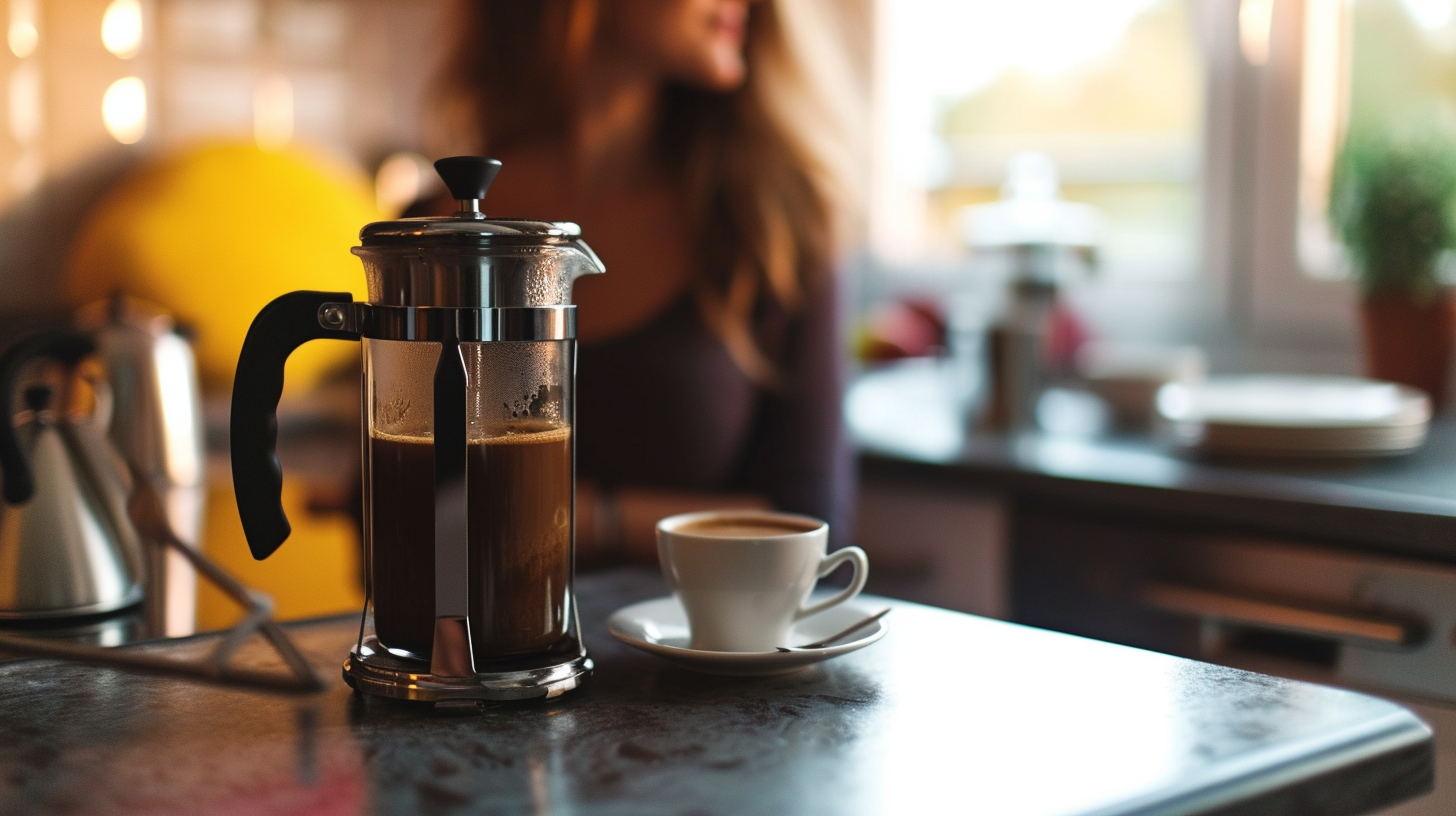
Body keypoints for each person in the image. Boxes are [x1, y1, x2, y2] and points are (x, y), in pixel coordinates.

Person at [434, 0, 861, 562]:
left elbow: (814, 528)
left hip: (693, 650)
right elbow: (387, 523)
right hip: (471, 652)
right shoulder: (438, 228)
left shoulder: (776, 227)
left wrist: (571, 516)